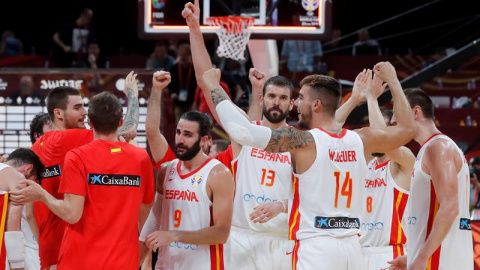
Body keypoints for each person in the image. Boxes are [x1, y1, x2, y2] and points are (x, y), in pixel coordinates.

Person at [201, 61, 415, 270]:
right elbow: (407, 129)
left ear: (316, 105)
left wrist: (213, 88)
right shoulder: (361, 140)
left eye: (300, 97)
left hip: (316, 249)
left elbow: (242, 132)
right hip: (352, 248)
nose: (296, 104)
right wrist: (394, 81)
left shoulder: (302, 142)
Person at [182, 2, 296, 269]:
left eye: (283, 98)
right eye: (271, 96)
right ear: (262, 98)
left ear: (291, 104)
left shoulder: (301, 142)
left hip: (283, 240)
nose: (276, 102)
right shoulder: (244, 132)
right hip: (240, 240)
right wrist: (195, 30)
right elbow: (206, 82)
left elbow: (313, 192)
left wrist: (281, 205)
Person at [11, 91, 154, 270]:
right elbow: (128, 129)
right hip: (118, 259)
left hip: (60, 254)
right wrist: (133, 94)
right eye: (77, 107)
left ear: (91, 123)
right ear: (58, 113)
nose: (84, 113)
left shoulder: (37, 149)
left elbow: (32, 213)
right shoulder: (137, 157)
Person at [139, 71, 235, 269]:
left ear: (205, 140)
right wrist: (136, 262)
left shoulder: (219, 174)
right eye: (178, 133)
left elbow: (221, 233)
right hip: (166, 264)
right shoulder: (167, 170)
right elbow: (154, 219)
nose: (180, 140)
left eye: (188, 135)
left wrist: (175, 235)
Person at [388, 88, 474, 270]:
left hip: (440, 261)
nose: (393, 120)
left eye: (397, 113)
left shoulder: (438, 148)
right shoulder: (431, 148)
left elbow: (450, 207)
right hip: (442, 257)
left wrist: (421, 258)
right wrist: (413, 255)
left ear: (415, 111)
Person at [356, 73, 415, 270]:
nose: (373, 133)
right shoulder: (366, 163)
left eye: (378, 126)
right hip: (360, 251)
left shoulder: (404, 162)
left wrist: (372, 98)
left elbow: (384, 139)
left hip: (391, 254)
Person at [0, 148, 44, 270]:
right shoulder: (17, 178)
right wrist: (17, 265)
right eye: (31, 181)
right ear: (28, 169)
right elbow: (13, 223)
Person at [168, 43, 197, 123]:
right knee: (179, 124)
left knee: (191, 124)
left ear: (189, 55)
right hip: (178, 102)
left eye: (185, 55)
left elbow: (197, 85)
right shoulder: (174, 68)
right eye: (181, 55)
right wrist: (173, 93)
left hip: (191, 102)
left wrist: (195, 99)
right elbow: (170, 83)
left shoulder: (195, 69)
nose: (183, 58)